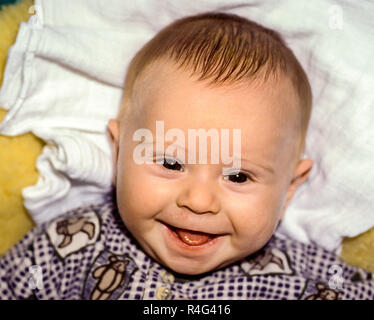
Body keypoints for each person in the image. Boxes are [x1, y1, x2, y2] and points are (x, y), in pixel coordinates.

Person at [0, 12, 373, 300]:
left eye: (239, 177)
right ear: (119, 152)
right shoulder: (70, 244)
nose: (198, 201)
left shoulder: (312, 279)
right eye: (171, 163)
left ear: (290, 187)